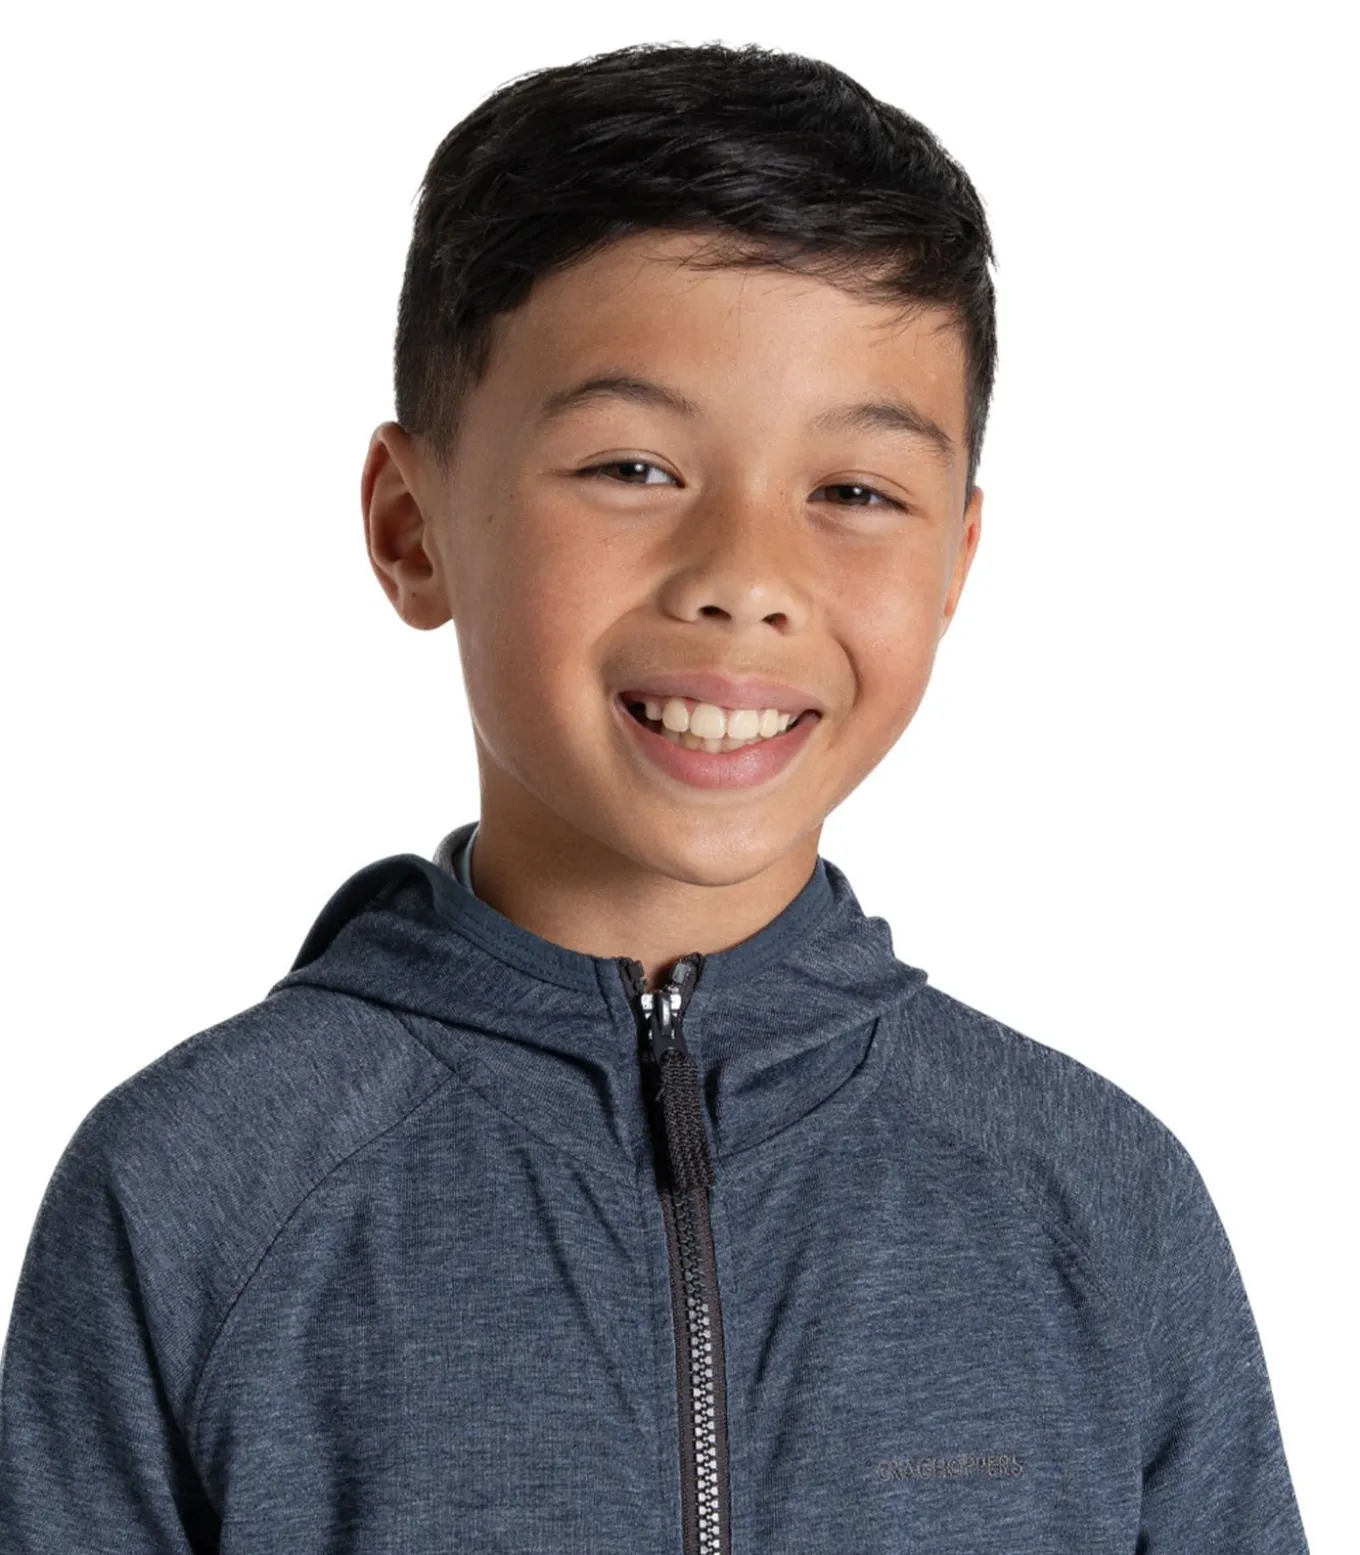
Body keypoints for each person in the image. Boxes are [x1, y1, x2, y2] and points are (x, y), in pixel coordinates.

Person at [0, 39, 1309, 1555]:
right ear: (412, 528)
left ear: (956, 562)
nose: (746, 579)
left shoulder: (1099, 1201)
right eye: (632, 467)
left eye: (856, 492)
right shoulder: (194, 1191)